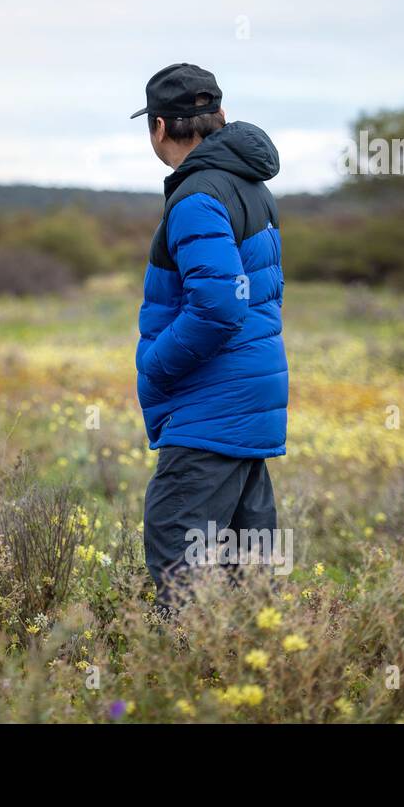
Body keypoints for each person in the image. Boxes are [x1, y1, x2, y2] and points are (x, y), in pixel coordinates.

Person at [131, 63, 289, 610]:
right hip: (246, 407)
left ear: (158, 127)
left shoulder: (198, 197)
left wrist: (157, 364)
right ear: (216, 116)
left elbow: (220, 305)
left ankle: (185, 681)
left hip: (209, 412)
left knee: (180, 565)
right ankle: (250, 683)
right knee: (247, 577)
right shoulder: (251, 186)